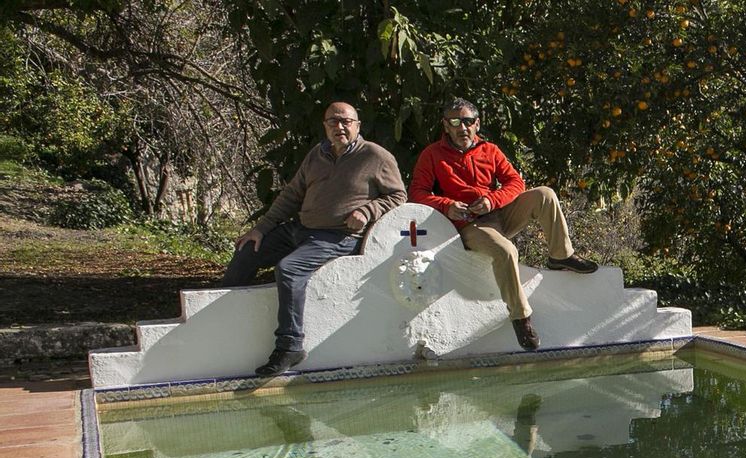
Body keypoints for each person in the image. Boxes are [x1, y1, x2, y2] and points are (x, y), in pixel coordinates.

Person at [220, 102, 407, 377]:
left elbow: (398, 196)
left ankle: (290, 346)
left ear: (357, 125)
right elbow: (291, 196)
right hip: (300, 229)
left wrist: (367, 211)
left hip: (339, 236)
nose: (339, 127)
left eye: (345, 121)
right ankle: (220, 316)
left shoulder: (375, 156)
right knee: (248, 249)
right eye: (333, 122)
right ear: (325, 126)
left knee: (289, 268)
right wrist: (260, 229)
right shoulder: (317, 155)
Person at [409, 98, 598, 351]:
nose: (462, 127)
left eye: (467, 122)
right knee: (506, 250)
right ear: (446, 125)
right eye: (455, 122)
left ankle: (561, 255)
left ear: (476, 124)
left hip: (497, 213)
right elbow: (417, 193)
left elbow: (515, 183)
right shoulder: (432, 155)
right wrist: (447, 205)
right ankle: (521, 318)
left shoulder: (490, 150)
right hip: (469, 225)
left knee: (545, 193)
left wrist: (491, 200)